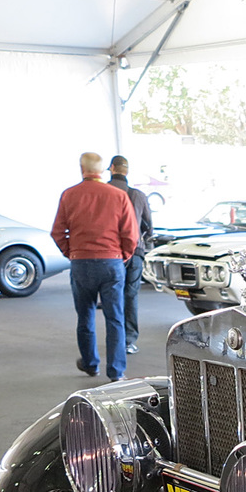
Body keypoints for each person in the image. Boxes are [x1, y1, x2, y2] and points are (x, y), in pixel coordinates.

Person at [51, 152, 138, 382]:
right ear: (103, 170)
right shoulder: (118, 196)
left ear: (82, 168)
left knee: (85, 315)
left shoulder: (69, 195)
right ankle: (116, 372)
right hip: (112, 263)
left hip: (81, 263)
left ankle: (90, 364)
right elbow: (131, 234)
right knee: (115, 318)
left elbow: (58, 232)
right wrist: (123, 256)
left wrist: (71, 253)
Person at [107, 155, 153, 354]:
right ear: (126, 171)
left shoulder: (104, 194)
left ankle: (114, 339)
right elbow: (149, 227)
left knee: (112, 295)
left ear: (111, 168)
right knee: (130, 295)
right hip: (135, 251)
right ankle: (129, 340)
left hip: (110, 252)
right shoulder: (138, 195)